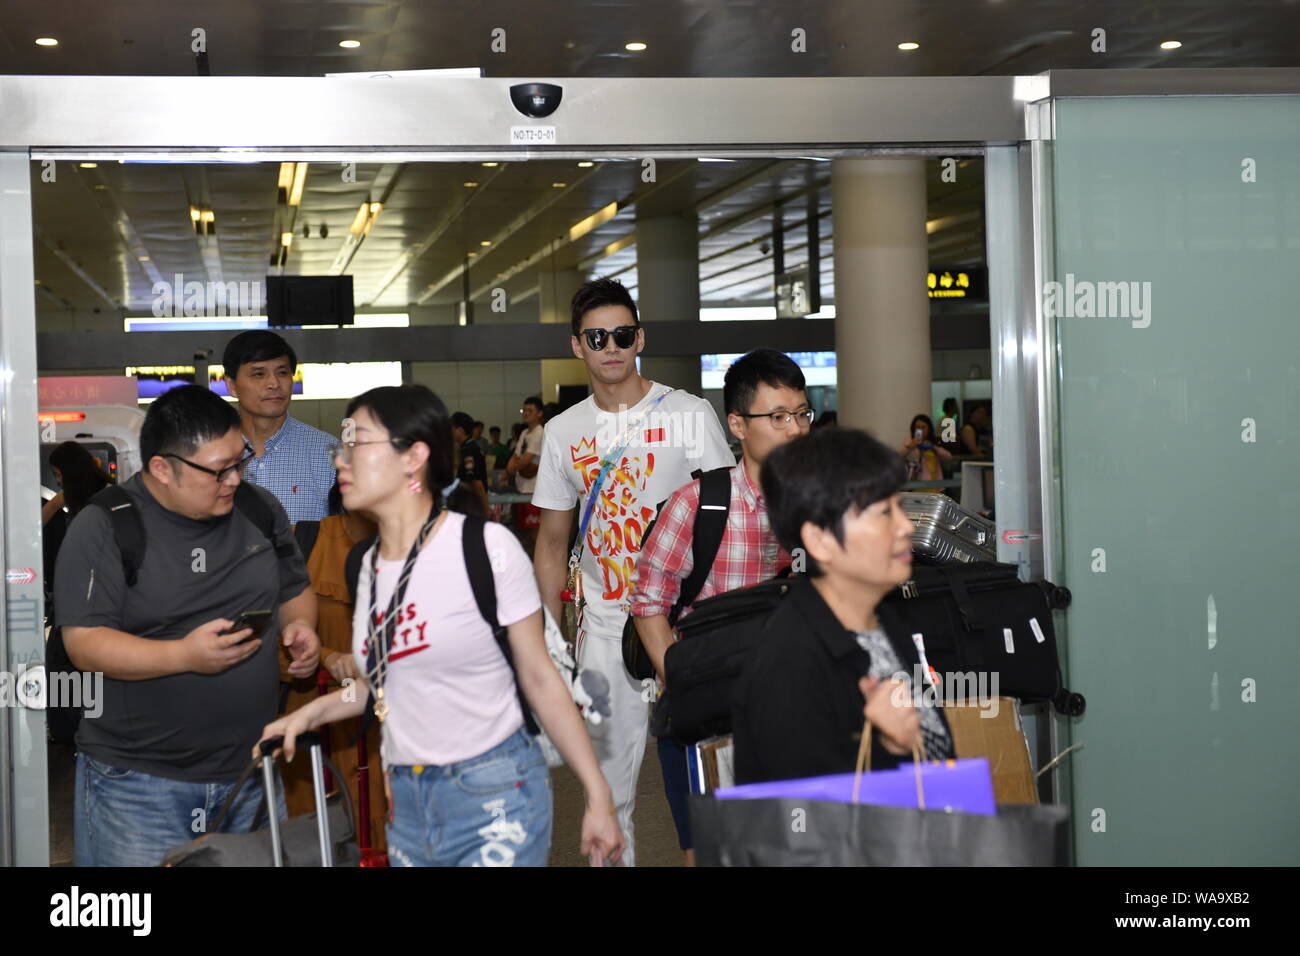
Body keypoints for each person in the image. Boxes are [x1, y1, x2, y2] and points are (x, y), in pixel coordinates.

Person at [257, 384, 623, 867]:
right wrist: (307, 715)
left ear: (414, 458)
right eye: (340, 446)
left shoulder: (485, 548)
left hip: (493, 789)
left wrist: (598, 797)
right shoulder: (366, 566)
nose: (340, 460)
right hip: (407, 800)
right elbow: (385, 686)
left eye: (356, 444)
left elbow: (540, 679)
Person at [54, 385, 320, 866]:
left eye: (240, 462)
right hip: (140, 786)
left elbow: (293, 587)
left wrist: (302, 628)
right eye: (219, 470)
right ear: (161, 468)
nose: (235, 479)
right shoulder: (105, 525)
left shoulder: (259, 510)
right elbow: (84, 643)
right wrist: (183, 656)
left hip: (251, 773)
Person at [531, 276, 734, 865]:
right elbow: (551, 542)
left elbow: (726, 518)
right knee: (607, 793)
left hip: (685, 625)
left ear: (640, 337)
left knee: (708, 772)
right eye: (597, 337)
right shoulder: (564, 432)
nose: (611, 346)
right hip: (603, 630)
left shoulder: (689, 414)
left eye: (623, 334)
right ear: (578, 347)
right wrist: (548, 634)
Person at [631, 348, 810, 862]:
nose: (794, 429)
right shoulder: (699, 503)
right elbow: (648, 602)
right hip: (707, 711)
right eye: (777, 417)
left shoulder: (820, 504)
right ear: (737, 424)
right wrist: (684, 685)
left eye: (801, 414)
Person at [732, 427, 955, 785]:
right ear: (819, 541)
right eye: (884, 512)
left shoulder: (882, 619)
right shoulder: (789, 664)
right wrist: (889, 747)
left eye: (900, 506)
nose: (904, 525)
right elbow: (802, 822)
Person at [282, 481, 386, 854]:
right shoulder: (306, 541)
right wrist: (324, 655)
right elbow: (272, 635)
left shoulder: (420, 549)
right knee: (311, 842)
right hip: (313, 726)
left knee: (383, 837)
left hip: (387, 737)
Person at [223, 329, 339, 522]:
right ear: (232, 386)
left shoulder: (327, 454)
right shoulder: (209, 454)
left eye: (282, 373)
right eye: (259, 374)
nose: (274, 383)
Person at [42, 442, 110, 612]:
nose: (58, 481)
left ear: (72, 472)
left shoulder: (102, 503)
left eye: (59, 474)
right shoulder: (76, 501)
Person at [504, 396, 545, 548]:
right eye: (524, 410)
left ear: (540, 413)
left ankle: (538, 569)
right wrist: (510, 469)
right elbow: (515, 456)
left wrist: (511, 469)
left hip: (533, 490)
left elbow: (525, 460)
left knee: (535, 534)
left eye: (530, 410)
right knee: (525, 533)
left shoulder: (539, 433)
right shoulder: (524, 433)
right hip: (521, 488)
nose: (526, 413)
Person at [451, 410, 490, 513]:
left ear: (460, 430)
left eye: (452, 429)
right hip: (468, 505)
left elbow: (476, 484)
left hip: (471, 507)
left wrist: (486, 509)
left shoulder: (470, 450)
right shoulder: (466, 448)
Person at [900, 413, 952, 488]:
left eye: (924, 427)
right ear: (913, 429)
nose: (921, 430)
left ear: (929, 428)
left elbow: (948, 457)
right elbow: (899, 457)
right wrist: (910, 446)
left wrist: (934, 447)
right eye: (918, 427)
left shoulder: (933, 442)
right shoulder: (910, 442)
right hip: (917, 486)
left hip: (936, 485)